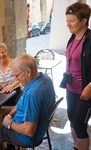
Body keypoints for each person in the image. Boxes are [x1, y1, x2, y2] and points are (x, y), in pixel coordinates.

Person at [0, 54, 55, 149]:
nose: (16, 79)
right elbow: (22, 102)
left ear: (28, 72)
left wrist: (10, 124)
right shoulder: (45, 79)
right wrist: (10, 115)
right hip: (36, 127)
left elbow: (28, 131)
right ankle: (4, 138)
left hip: (23, 137)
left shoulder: (32, 94)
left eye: (17, 75)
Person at [63, 2, 91, 150]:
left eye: (72, 20)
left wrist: (90, 86)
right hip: (70, 88)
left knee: (80, 125)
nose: (68, 24)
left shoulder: (90, 39)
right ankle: (76, 147)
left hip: (85, 91)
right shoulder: (73, 38)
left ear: (84, 20)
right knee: (72, 121)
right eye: (67, 20)